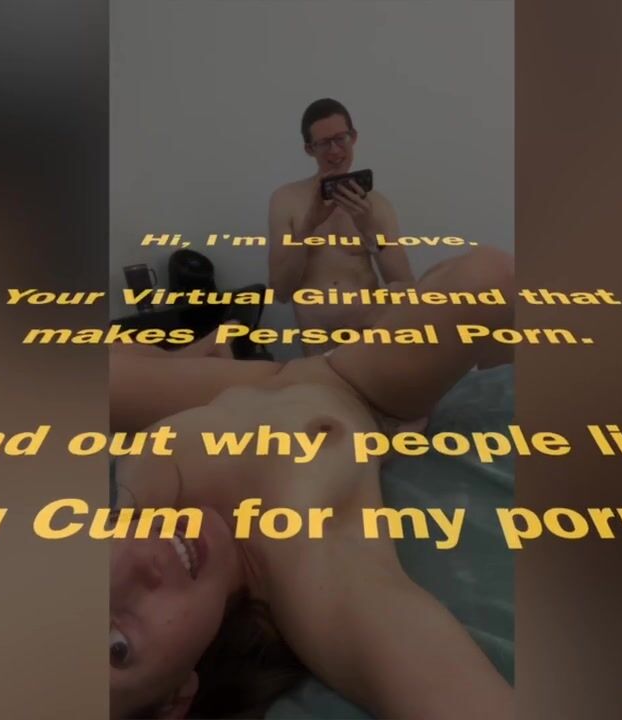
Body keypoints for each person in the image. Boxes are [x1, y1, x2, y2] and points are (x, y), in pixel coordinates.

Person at [109, 247, 514, 719]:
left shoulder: (135, 498)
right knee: (487, 279)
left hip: (249, 381)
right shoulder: (312, 577)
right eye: (118, 646)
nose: (137, 562)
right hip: (350, 386)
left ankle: (201, 351)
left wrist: (186, 360)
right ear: (175, 700)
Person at [267, 99, 415, 354]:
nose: (334, 150)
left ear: (353, 137)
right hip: (322, 347)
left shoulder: (377, 205)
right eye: (324, 143)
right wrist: (308, 226)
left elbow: (405, 285)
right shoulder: (286, 200)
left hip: (370, 342)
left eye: (340, 138)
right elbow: (280, 290)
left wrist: (369, 229)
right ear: (309, 149)